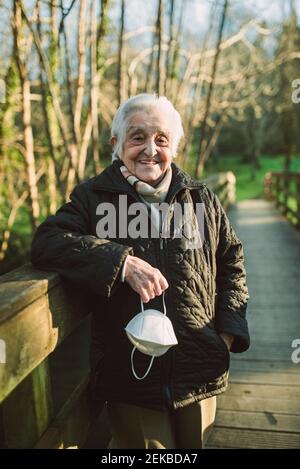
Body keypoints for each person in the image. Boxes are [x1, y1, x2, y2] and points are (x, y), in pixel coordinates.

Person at [31, 93, 250, 449]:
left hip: (200, 369)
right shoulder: (93, 197)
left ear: (173, 148)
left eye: (161, 139)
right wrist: (120, 262)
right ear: (116, 144)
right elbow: (48, 241)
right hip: (132, 375)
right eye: (138, 137)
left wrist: (225, 336)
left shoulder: (202, 199)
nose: (150, 149)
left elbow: (232, 261)